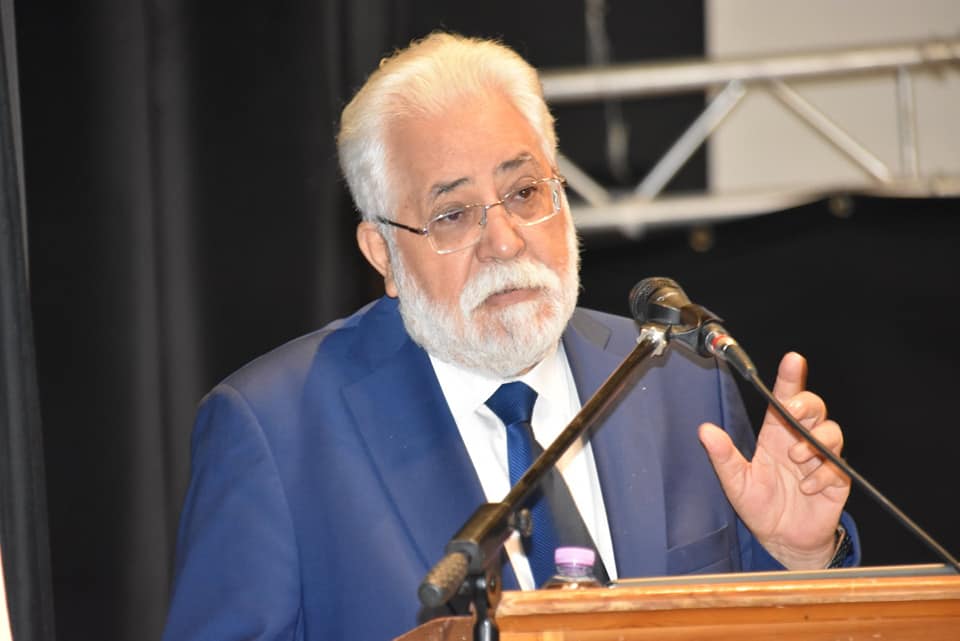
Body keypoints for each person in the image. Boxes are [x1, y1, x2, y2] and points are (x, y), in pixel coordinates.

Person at [161, 32, 858, 641]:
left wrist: (796, 556)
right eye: (453, 213)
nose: (504, 239)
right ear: (383, 254)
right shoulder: (277, 434)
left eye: (524, 192)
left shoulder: (677, 379)